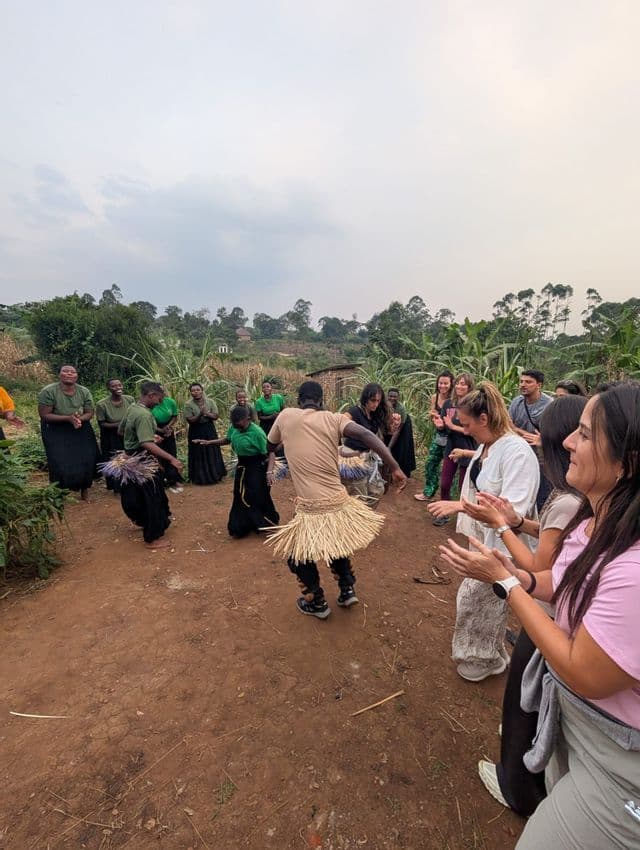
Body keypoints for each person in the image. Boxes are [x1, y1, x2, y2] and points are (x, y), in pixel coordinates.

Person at [439, 382, 640, 849]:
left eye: (586, 435)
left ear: (626, 462)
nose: (568, 441)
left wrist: (508, 582)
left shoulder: (632, 570)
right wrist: (520, 577)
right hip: (578, 723)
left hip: (618, 758)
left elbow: (583, 673)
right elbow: (557, 579)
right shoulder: (597, 525)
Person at [463, 395, 586, 816]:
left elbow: (540, 568)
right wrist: (515, 523)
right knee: (530, 703)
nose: (569, 443)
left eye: (582, 437)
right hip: (549, 609)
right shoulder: (580, 500)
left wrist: (506, 561)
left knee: (524, 698)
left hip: (551, 621)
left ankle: (516, 785)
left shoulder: (569, 500)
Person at [264, 381, 407, 619]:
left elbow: (270, 444)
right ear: (321, 402)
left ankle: (316, 601)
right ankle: (347, 588)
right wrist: (395, 467)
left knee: (297, 556)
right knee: (335, 542)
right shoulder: (333, 418)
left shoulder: (286, 416)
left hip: (312, 507)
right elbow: (365, 434)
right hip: (339, 502)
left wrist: (283, 445)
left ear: (299, 400)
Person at [428, 382, 539, 681]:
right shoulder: (487, 445)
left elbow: (509, 511)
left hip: (505, 546)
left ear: (484, 419)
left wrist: (459, 507)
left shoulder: (516, 453)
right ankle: (490, 652)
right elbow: (481, 490)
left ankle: (485, 659)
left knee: (476, 598)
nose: (464, 429)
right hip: (486, 539)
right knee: (485, 601)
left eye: (466, 424)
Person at [112, 382, 183, 548]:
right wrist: (171, 459)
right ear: (151, 395)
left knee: (137, 495)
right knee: (153, 497)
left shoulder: (132, 408)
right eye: (159, 397)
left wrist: (148, 437)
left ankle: (142, 520)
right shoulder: (144, 415)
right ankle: (153, 537)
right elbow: (146, 444)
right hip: (142, 460)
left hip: (130, 457)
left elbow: (121, 431)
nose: (160, 401)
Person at [195, 405, 279, 537]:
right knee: (239, 494)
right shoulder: (234, 428)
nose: (235, 425)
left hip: (257, 467)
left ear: (248, 419)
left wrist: (269, 472)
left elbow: (271, 453)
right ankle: (241, 526)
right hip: (242, 466)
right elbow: (227, 440)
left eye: (238, 422)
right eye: (233, 423)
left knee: (256, 495)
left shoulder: (257, 433)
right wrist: (209, 442)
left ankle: (265, 523)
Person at [38, 365, 99, 500]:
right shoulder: (48, 391)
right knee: (59, 460)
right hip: (55, 428)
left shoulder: (84, 391)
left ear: (76, 376)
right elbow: (44, 415)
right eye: (65, 371)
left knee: (86, 458)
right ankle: (59, 493)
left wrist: (77, 419)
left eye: (73, 372)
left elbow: (89, 413)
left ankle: (84, 490)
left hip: (79, 426)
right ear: (59, 375)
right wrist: (68, 419)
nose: (69, 373)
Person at [432, 373, 476, 526]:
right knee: (445, 483)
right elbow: (445, 428)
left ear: (470, 387)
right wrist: (441, 426)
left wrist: (452, 426)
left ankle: (465, 518)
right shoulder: (448, 404)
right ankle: (443, 513)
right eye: (457, 383)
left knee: (464, 486)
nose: (459, 386)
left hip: (469, 449)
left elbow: (473, 431)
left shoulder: (473, 405)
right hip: (451, 448)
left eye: (463, 384)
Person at [509, 370, 553, 511]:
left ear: (539, 385)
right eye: (521, 381)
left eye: (528, 382)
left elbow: (550, 434)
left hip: (541, 458)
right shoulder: (517, 402)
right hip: (518, 454)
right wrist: (518, 431)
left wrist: (517, 429)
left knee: (541, 496)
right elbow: (508, 427)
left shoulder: (549, 405)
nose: (523, 385)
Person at [341, 383, 391, 506]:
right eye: (373, 400)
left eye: (378, 401)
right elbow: (339, 423)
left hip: (368, 459)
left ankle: (363, 519)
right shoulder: (355, 412)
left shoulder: (375, 414)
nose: (376, 404)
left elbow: (386, 433)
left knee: (377, 491)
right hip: (354, 460)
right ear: (365, 399)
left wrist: (393, 425)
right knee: (359, 498)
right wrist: (342, 450)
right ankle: (356, 522)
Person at [415, 370, 453, 502]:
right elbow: (432, 412)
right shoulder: (435, 397)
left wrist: (442, 420)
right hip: (439, 434)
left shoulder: (455, 399)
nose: (442, 386)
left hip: (452, 436)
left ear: (451, 384)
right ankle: (429, 491)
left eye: (446, 383)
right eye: (440, 383)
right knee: (431, 462)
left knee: (450, 467)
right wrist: (436, 418)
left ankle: (450, 499)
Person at [96, 379, 134, 492]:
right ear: (109, 388)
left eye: (119, 385)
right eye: (114, 386)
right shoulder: (102, 404)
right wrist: (121, 424)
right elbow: (102, 424)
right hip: (110, 436)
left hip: (127, 434)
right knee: (113, 459)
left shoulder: (130, 399)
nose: (118, 387)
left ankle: (129, 483)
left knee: (128, 457)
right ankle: (116, 486)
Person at [184, 382, 226, 485]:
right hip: (195, 430)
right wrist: (200, 414)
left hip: (209, 429)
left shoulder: (210, 401)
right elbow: (190, 420)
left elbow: (216, 416)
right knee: (198, 452)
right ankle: (199, 478)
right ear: (190, 392)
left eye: (197, 390)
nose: (196, 392)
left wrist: (207, 413)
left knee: (212, 449)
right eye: (193, 390)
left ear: (202, 390)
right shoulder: (188, 404)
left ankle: (216, 475)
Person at [151, 391, 183, 493]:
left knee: (171, 453)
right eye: (159, 391)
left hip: (168, 429)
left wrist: (169, 427)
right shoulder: (151, 404)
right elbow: (149, 421)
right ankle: (162, 480)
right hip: (154, 430)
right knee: (158, 455)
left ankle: (174, 479)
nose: (162, 393)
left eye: (163, 391)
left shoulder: (170, 402)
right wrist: (160, 431)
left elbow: (174, 416)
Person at [386, 388, 416, 478]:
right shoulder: (384, 405)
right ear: (387, 396)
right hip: (389, 424)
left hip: (403, 425)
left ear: (398, 397)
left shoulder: (400, 408)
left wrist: (389, 447)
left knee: (402, 447)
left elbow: (398, 430)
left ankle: (402, 473)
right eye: (390, 396)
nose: (392, 398)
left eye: (395, 397)